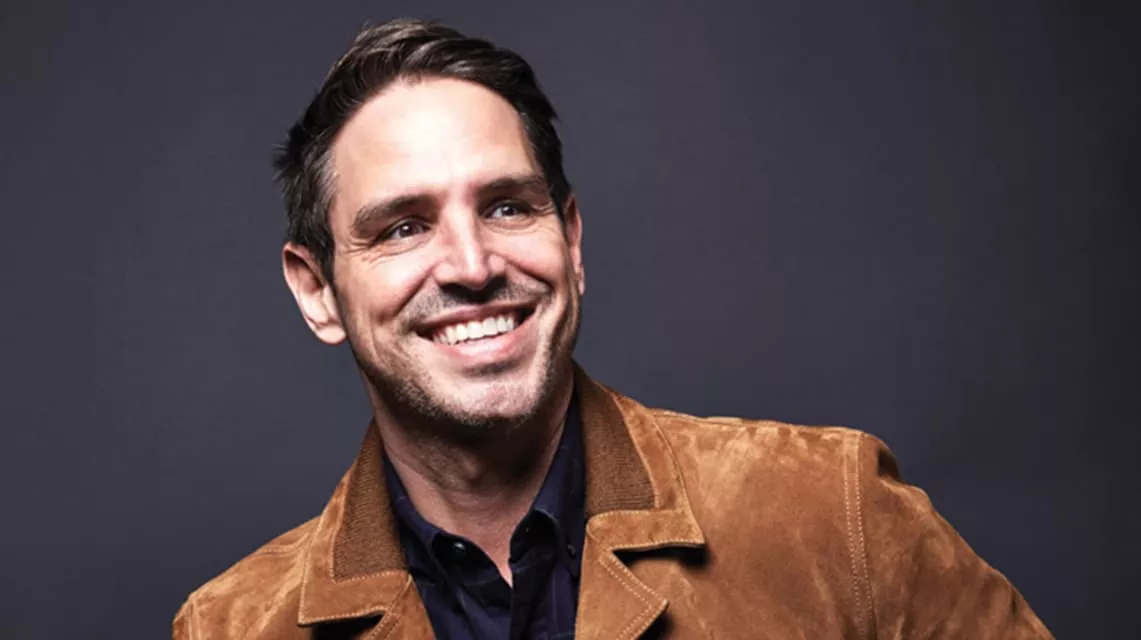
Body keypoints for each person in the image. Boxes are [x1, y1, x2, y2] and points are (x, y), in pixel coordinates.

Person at [173, 18, 1051, 640]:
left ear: (571, 241)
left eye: (507, 206)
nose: (472, 264)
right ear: (317, 291)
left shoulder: (834, 518)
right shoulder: (232, 628)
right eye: (403, 227)